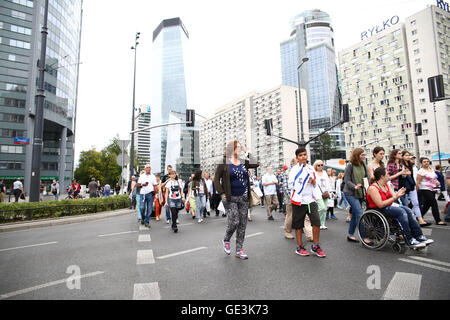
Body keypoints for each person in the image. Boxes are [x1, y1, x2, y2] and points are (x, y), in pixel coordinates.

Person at [367, 167, 433, 248]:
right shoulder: (373, 188)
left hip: (388, 206)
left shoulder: (385, 186)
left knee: (408, 210)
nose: (389, 175)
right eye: (387, 174)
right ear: (382, 176)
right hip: (380, 209)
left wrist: (398, 194)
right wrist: (395, 197)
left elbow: (393, 197)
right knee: (401, 212)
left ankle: (419, 236)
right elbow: (380, 204)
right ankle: (409, 239)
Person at [215, 140, 259, 260]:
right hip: (230, 198)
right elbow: (216, 180)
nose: (239, 149)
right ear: (231, 149)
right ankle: (226, 239)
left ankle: (239, 250)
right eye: (237, 147)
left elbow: (256, 163)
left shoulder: (244, 162)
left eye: (240, 147)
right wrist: (222, 194)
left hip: (244, 197)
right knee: (235, 221)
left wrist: (247, 151)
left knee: (242, 225)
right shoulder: (224, 163)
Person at [288, 147, 326, 257]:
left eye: (304, 154)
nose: (303, 157)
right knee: (298, 224)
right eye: (300, 155)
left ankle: (315, 246)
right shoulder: (294, 170)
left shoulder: (310, 168)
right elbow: (291, 184)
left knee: (317, 222)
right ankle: (300, 247)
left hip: (311, 200)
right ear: (297, 158)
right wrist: (302, 183)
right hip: (299, 200)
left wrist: (313, 181)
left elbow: (315, 183)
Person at [343, 148, 369, 243]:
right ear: (357, 155)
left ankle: (350, 235)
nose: (364, 157)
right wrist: (354, 186)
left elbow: (366, 178)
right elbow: (347, 180)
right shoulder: (350, 166)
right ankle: (364, 236)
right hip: (350, 193)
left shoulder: (363, 165)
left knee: (354, 214)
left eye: (364, 155)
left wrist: (368, 186)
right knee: (359, 213)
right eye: (362, 155)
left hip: (361, 193)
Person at [399, 151, 430, 227]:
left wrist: (415, 185)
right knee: (405, 205)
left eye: (408, 155)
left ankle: (420, 220)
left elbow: (413, 176)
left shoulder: (411, 165)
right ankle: (408, 221)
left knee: (416, 203)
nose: (408, 157)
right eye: (406, 155)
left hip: (411, 185)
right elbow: (401, 176)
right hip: (403, 186)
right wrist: (405, 173)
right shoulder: (401, 165)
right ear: (402, 156)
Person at [416, 157, 447, 226]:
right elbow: (418, 182)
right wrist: (416, 191)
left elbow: (434, 178)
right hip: (424, 189)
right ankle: (438, 220)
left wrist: (437, 182)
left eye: (427, 161)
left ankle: (418, 216)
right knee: (434, 203)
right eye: (424, 162)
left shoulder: (431, 169)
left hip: (433, 188)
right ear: (421, 163)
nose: (426, 163)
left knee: (427, 205)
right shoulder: (421, 171)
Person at [137, 164, 158, 228]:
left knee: (149, 209)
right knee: (142, 208)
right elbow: (138, 185)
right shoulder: (142, 176)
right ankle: (143, 218)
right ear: (145, 169)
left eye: (149, 167)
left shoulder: (153, 176)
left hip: (150, 194)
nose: (148, 168)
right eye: (147, 167)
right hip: (142, 194)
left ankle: (147, 222)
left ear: (150, 169)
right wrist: (142, 185)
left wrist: (156, 193)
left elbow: (155, 185)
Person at [313, 160, 329, 229]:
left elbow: (328, 182)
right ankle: (316, 222)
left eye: (322, 165)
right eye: (318, 165)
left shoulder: (325, 173)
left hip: (325, 192)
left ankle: (322, 223)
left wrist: (329, 192)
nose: (320, 166)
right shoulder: (314, 173)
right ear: (315, 166)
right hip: (317, 193)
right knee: (321, 207)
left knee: (324, 209)